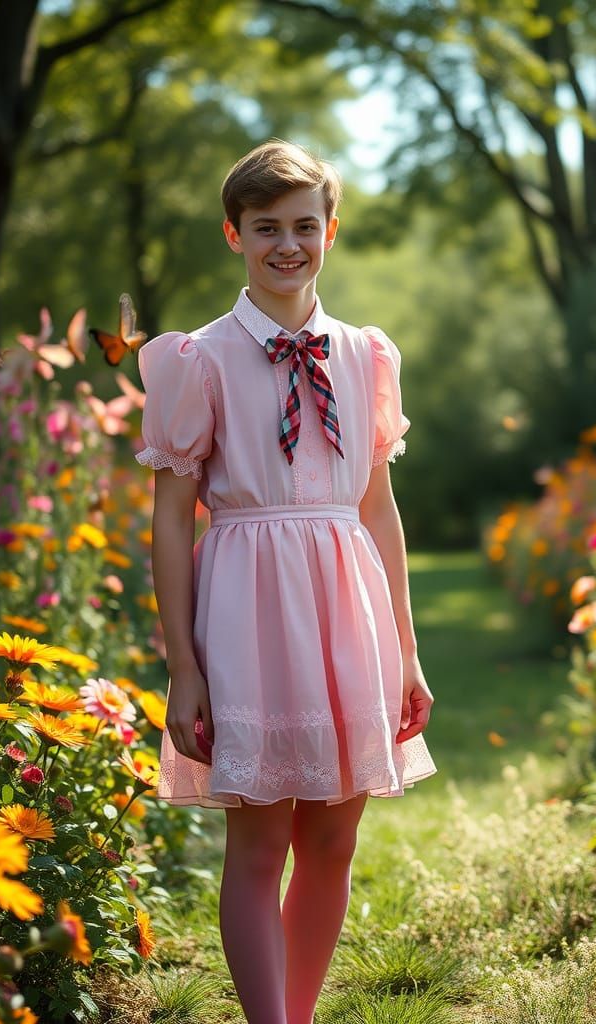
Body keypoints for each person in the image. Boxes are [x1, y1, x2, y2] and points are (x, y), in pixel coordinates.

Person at [135, 139, 438, 1024]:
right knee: (262, 839)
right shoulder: (199, 359)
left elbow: (378, 510)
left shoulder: (365, 356)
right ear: (235, 234)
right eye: (266, 227)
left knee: (334, 839)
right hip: (249, 613)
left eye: (305, 226)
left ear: (330, 232)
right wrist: (183, 665)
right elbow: (170, 519)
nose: (287, 244)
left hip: (348, 611)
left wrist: (407, 651)